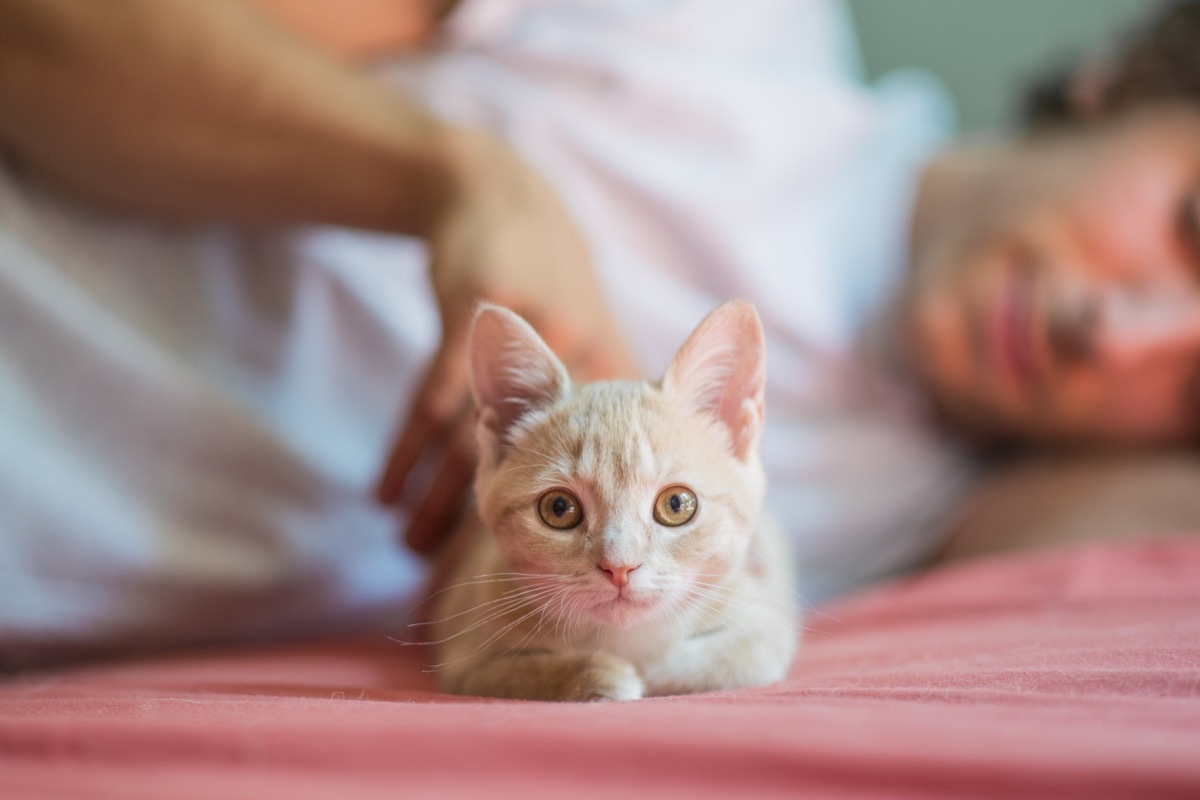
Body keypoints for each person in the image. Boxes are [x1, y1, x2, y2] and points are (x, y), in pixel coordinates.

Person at [0, 0, 1196, 664]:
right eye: (1188, 226)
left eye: (1195, 389)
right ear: (1118, 85)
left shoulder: (930, 515)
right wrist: (459, 178)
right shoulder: (718, 31)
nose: (1122, 334)